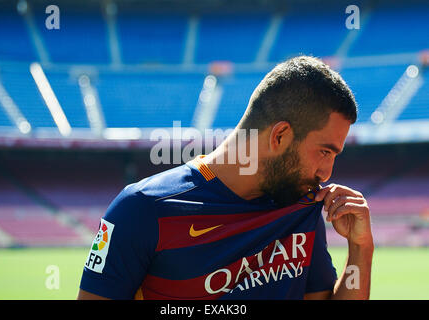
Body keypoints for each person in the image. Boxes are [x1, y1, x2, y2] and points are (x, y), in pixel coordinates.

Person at [77, 56, 374, 300]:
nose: (327, 173)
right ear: (280, 136)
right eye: (324, 152)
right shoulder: (141, 209)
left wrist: (361, 248)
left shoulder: (301, 206)